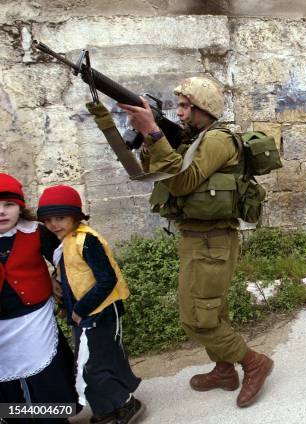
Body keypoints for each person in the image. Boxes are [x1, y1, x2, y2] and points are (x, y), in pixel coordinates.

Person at [118, 76, 273, 408]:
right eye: (180, 106)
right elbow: (162, 172)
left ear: (205, 108)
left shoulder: (216, 140)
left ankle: (253, 363)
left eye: (186, 106)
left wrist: (155, 132)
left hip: (211, 240)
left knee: (197, 318)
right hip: (197, 238)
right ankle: (223, 370)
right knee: (213, 311)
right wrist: (150, 136)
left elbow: (183, 182)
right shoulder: (194, 139)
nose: (180, 113)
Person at [37, 185, 143, 424]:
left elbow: (107, 279)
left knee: (96, 363)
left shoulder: (86, 240)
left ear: (76, 216)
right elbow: (73, 276)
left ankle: (125, 404)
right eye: (49, 220)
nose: (54, 224)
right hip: (85, 313)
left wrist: (80, 309)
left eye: (61, 218)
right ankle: (106, 409)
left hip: (101, 311)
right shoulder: (65, 241)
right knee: (92, 362)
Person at [0, 173, 78, 424]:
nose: (2, 212)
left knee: (48, 376)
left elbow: (65, 260)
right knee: (8, 382)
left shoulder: (35, 232)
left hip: (35, 321)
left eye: (9, 205)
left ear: (20, 207)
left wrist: (58, 284)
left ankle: (54, 420)